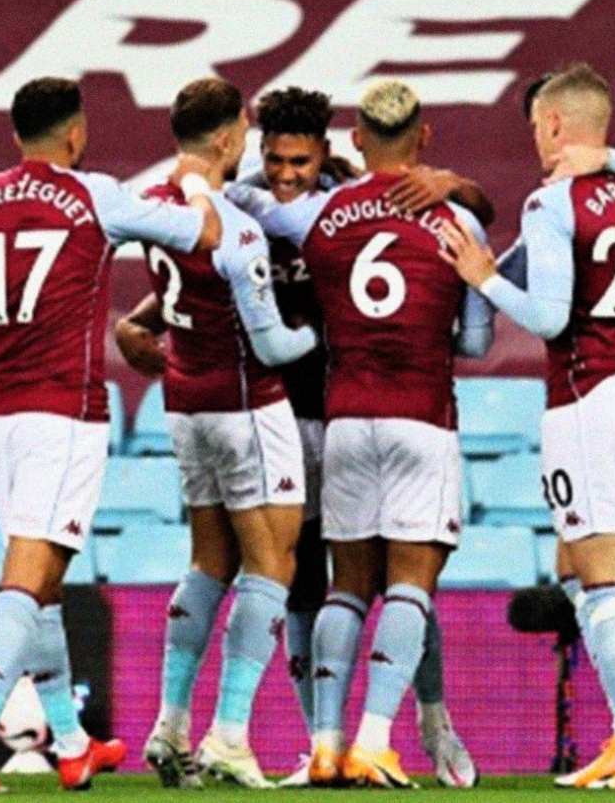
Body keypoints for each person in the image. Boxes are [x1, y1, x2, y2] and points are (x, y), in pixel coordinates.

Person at [118, 85, 487, 788]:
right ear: (258, 151)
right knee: (306, 584)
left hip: (339, 410)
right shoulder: (251, 203)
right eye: (275, 159)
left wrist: (451, 184)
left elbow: (466, 211)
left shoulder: (341, 202)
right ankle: (324, 739)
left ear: (329, 152)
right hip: (283, 416)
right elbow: (200, 274)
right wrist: (140, 320)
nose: (285, 173)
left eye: (299, 161)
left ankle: (429, 721)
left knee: (385, 576)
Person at [0, 76, 223, 792]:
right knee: (29, 578)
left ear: (14, 135)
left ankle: (69, 744)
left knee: (47, 584)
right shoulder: (96, 196)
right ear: (75, 135)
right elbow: (208, 238)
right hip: (63, 410)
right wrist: (195, 185)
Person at [438, 62, 615, 792]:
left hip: (594, 398)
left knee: (605, 579)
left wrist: (482, 277)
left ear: (555, 123)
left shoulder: (553, 200)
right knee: (579, 567)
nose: (533, 140)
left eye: (535, 127)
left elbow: (552, 317)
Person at [233, 79, 494, 788]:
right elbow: (473, 343)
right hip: (420, 415)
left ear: (349, 143)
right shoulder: (456, 224)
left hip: (343, 415)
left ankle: (324, 745)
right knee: (409, 583)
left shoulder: (320, 215)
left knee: (345, 588)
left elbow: (245, 209)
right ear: (426, 138)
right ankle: (376, 739)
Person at [114, 78, 318, 789]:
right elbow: (270, 346)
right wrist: (317, 333)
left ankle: (169, 723)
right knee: (272, 565)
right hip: (245, 404)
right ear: (232, 135)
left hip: (183, 404)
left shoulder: (154, 208)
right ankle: (229, 733)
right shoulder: (235, 226)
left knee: (208, 561)